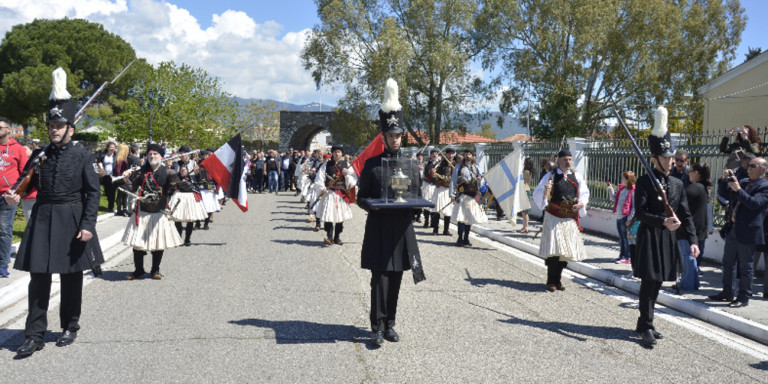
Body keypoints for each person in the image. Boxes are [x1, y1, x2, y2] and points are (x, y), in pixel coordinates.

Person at [9, 68, 103, 356]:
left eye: (59, 125)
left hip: (72, 218)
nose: (54, 129)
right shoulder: (39, 155)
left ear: (70, 129)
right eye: (51, 125)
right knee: (38, 278)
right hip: (42, 217)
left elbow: (93, 193)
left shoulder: (84, 155)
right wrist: (15, 194)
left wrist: (88, 224)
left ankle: (69, 326)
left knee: (71, 277)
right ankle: (34, 334)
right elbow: (23, 182)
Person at [357, 79, 425, 347]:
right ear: (383, 137)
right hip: (378, 228)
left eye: (398, 135)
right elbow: (361, 198)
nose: (395, 139)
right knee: (379, 280)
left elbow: (416, 197)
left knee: (396, 277)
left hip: (401, 230)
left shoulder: (411, 165)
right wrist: (371, 205)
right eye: (391, 135)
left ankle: (390, 325)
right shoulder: (372, 165)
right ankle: (376, 326)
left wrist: (418, 207)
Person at [633, 106, 699, 348]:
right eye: (666, 158)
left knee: (659, 281)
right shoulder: (643, 181)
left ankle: (644, 322)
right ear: (654, 159)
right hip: (650, 235)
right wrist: (662, 220)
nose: (671, 162)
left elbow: (685, 213)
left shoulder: (676, 184)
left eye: (672, 158)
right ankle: (647, 325)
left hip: (668, 239)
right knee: (649, 281)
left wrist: (693, 240)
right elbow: (639, 212)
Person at [708, 157, 768, 308]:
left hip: (749, 231)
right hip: (734, 228)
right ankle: (727, 291)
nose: (749, 168)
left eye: (754, 166)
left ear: (763, 169)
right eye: (749, 165)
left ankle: (743, 297)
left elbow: (755, 204)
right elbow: (726, 194)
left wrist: (738, 189)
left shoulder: (765, 186)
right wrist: (724, 181)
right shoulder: (745, 182)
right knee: (727, 263)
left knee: (745, 267)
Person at [120, 143, 183, 280]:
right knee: (138, 245)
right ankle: (138, 270)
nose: (152, 156)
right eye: (150, 154)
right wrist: (126, 179)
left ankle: (155, 270)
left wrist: (182, 174)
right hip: (142, 212)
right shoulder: (141, 172)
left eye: (155, 154)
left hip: (159, 212)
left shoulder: (168, 172)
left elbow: (177, 182)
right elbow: (131, 189)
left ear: (161, 156)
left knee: (157, 243)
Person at [532, 149, 589, 292]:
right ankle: (551, 281)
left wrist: (581, 204)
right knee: (554, 250)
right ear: (559, 160)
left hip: (568, 218)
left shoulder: (576, 176)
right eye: (565, 159)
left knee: (565, 251)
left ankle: (558, 280)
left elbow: (584, 193)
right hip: (554, 217)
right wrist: (546, 190)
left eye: (570, 159)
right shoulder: (550, 176)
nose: (567, 162)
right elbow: (537, 194)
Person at [0, 116, 28, 278]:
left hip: (7, 196)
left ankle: (2, 265)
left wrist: (16, 192)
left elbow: (25, 174)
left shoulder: (17, 149)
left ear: (8, 129)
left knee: (4, 230)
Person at [677, 163, 711, 291]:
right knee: (692, 258)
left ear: (696, 173)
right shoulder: (702, 187)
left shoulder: (694, 188)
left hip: (689, 230)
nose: (687, 174)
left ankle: (686, 285)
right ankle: (693, 283)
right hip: (698, 229)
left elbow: (679, 203)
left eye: (689, 171)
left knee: (688, 257)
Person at [314, 145, 357, 245]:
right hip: (329, 193)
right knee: (329, 215)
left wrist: (347, 175)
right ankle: (329, 237)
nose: (337, 154)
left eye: (339, 152)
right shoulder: (326, 165)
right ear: (332, 154)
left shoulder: (347, 165)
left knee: (339, 217)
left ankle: (337, 237)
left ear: (342, 153)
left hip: (341, 194)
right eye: (335, 152)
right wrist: (322, 188)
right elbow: (319, 178)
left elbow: (353, 181)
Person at [450, 150, 488, 246]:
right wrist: (452, 195)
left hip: (473, 196)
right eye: (466, 154)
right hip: (462, 195)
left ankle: (466, 238)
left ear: (472, 156)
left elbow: (482, 181)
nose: (467, 156)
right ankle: (459, 238)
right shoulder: (459, 167)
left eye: (469, 154)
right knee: (461, 217)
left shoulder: (476, 167)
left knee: (469, 218)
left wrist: (480, 180)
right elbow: (453, 181)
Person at [169, 166, 207, 246]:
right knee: (177, 219)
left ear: (188, 170)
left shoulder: (193, 177)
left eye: (185, 170)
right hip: (179, 196)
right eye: (181, 170)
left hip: (190, 197)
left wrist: (197, 174)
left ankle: (187, 239)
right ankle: (179, 238)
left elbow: (200, 182)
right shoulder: (176, 178)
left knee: (190, 219)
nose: (183, 171)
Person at [607, 171, 637, 264]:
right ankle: (622, 255)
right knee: (621, 238)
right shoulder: (622, 190)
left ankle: (628, 257)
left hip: (625, 218)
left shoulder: (632, 191)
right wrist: (610, 189)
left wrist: (629, 220)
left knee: (626, 238)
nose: (621, 180)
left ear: (628, 180)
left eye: (623, 179)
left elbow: (634, 208)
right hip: (619, 217)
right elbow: (614, 198)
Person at [430, 148, 455, 236]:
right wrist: (434, 173)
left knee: (448, 210)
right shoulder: (440, 163)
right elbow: (434, 172)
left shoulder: (456, 164)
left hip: (449, 189)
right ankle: (435, 229)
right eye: (449, 154)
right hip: (440, 188)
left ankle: (446, 230)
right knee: (437, 209)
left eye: (452, 153)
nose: (450, 155)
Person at [421, 150, 440, 228]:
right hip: (428, 185)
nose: (434, 155)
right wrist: (430, 170)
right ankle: (426, 221)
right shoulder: (427, 163)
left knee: (434, 205)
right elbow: (424, 174)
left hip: (436, 185)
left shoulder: (440, 164)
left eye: (436, 154)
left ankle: (433, 222)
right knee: (426, 204)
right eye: (433, 154)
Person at [98, 141, 118, 212]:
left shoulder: (116, 155)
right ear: (107, 148)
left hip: (113, 175)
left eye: (113, 147)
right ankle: (110, 203)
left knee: (112, 191)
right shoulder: (103, 155)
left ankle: (111, 207)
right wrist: (100, 166)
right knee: (107, 191)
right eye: (111, 147)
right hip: (105, 175)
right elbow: (99, 162)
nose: (112, 148)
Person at [20, 142, 38, 221]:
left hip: (36, 194)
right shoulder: (21, 162)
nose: (23, 151)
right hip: (26, 196)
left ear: (31, 150)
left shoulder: (36, 162)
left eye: (25, 149)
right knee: (29, 219)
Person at [114, 143, 131, 216]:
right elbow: (118, 171)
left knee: (124, 194)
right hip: (121, 179)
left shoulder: (120, 159)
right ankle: (119, 209)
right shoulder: (121, 160)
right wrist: (122, 178)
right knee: (121, 194)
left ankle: (123, 208)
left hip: (121, 179)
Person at [519, 157, 534, 232]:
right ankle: (524, 226)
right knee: (524, 211)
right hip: (528, 190)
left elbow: (520, 180)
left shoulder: (525, 172)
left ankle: (526, 227)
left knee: (525, 212)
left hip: (524, 191)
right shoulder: (531, 172)